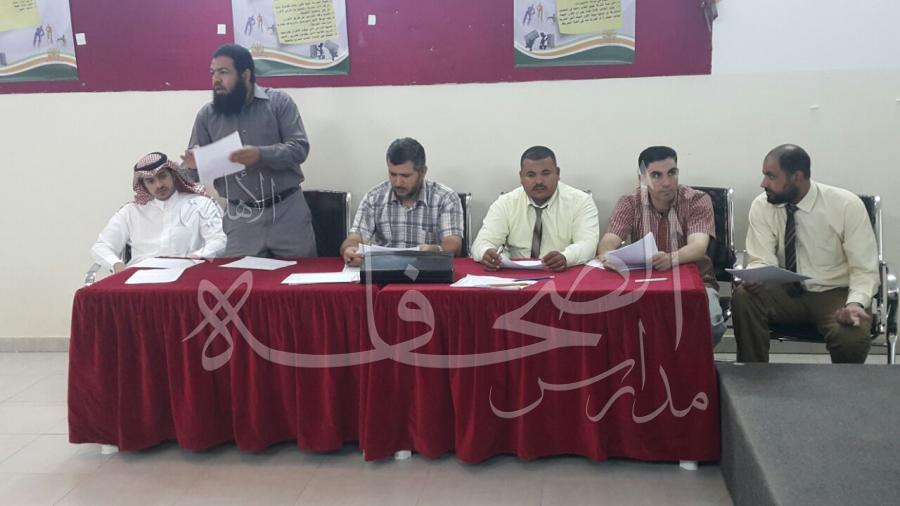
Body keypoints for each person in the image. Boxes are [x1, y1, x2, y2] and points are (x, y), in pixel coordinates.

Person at [732, 144, 878, 363]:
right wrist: (757, 275)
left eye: (771, 176)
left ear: (797, 177)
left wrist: (854, 304)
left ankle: (845, 386)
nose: (763, 183)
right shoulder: (762, 205)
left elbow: (864, 269)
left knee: (851, 334)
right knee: (744, 296)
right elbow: (761, 258)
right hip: (784, 291)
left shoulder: (846, 205)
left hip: (834, 294)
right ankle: (753, 376)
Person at [181, 43, 316, 258]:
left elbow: (299, 148)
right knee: (240, 278)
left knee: (301, 277)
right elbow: (191, 176)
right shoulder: (207, 116)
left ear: (245, 75)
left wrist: (260, 154)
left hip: (287, 213)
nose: (216, 80)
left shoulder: (279, 103)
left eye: (223, 72)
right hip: (241, 219)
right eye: (212, 73)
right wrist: (191, 167)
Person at [597, 146, 726, 346]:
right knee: (611, 323)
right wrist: (607, 256)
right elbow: (609, 240)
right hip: (643, 284)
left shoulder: (697, 200)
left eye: (672, 173)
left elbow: (698, 247)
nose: (666, 182)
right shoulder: (629, 203)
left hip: (695, 282)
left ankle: (690, 365)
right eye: (656, 175)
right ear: (642, 178)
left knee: (711, 325)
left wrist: (671, 258)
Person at [91, 152, 226, 273]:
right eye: (151, 181)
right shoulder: (131, 212)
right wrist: (116, 264)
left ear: (173, 175)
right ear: (143, 185)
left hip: (187, 274)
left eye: (162, 176)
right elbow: (102, 246)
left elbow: (219, 240)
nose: (159, 185)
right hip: (141, 279)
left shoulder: (200, 204)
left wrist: (197, 257)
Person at [472, 145, 599, 272]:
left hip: (561, 273)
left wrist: (566, 257)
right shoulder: (506, 202)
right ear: (521, 177)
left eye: (545, 173)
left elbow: (588, 245)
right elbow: (482, 242)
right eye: (531, 175)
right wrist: (486, 253)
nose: (539, 181)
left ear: (557, 173)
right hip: (516, 274)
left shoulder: (580, 201)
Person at [340, 138, 464, 266]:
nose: (398, 183)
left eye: (405, 176)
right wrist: (350, 249)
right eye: (393, 174)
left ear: (422, 172)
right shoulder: (374, 197)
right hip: (385, 270)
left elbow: (453, 244)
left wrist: (436, 250)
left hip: (427, 267)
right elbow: (355, 238)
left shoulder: (446, 198)